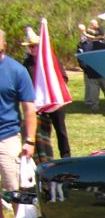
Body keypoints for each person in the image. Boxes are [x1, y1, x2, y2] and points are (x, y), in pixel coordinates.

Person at [0, 27, 37, 218]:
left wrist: (29, 140)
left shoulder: (16, 71)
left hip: (8, 135)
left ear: (3, 45)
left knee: (13, 186)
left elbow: (29, 109)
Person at [22, 27, 70, 160]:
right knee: (41, 130)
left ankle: (66, 156)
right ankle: (44, 157)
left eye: (34, 46)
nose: (31, 49)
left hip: (55, 101)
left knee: (61, 130)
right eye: (29, 47)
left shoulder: (51, 60)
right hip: (38, 102)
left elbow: (63, 78)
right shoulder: (27, 64)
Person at [77, 24, 105, 113]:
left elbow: (81, 59)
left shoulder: (84, 46)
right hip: (103, 71)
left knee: (93, 91)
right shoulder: (103, 46)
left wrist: (86, 70)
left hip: (91, 72)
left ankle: (94, 107)